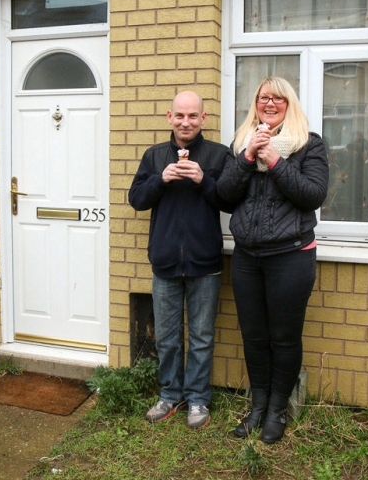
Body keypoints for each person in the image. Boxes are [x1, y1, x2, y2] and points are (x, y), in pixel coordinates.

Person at [217, 77, 328, 444]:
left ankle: (277, 409)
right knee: (253, 336)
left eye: (278, 98)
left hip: (291, 256)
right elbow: (223, 196)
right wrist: (249, 155)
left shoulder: (308, 145)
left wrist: (275, 160)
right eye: (264, 97)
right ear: (256, 103)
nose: (270, 103)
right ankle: (258, 407)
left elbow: (312, 195)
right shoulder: (242, 144)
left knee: (283, 337)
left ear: (289, 104)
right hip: (249, 257)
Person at [129, 91, 233, 429]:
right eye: (179, 116)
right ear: (169, 117)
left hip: (205, 262)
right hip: (165, 262)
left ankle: (199, 399)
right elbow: (136, 200)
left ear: (203, 119)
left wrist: (204, 180)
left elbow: (231, 200)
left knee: (201, 336)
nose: (185, 122)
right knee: (167, 336)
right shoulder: (155, 155)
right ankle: (170, 394)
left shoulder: (218, 155)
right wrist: (162, 179)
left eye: (192, 116)